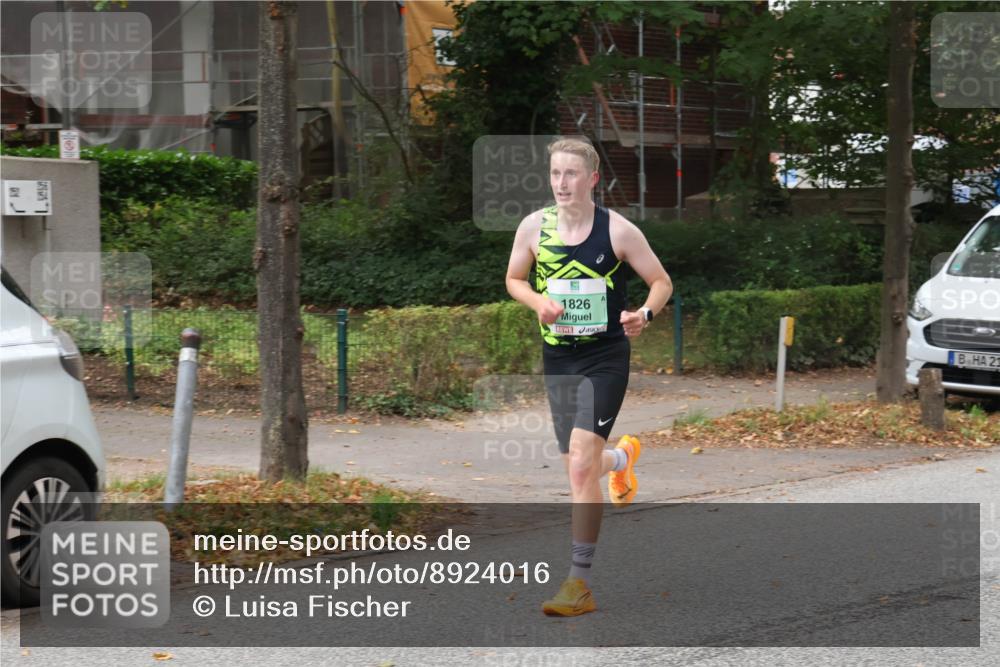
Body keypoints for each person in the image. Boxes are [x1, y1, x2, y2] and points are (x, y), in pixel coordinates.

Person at [505, 137, 672, 616]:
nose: (562, 183)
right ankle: (621, 459)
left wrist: (645, 313)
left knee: (580, 465)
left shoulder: (618, 231)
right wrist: (538, 302)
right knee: (582, 466)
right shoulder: (534, 228)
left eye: (572, 174)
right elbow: (515, 278)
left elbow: (661, 282)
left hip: (604, 358)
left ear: (593, 179)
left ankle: (579, 584)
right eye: (556, 174)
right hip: (559, 359)